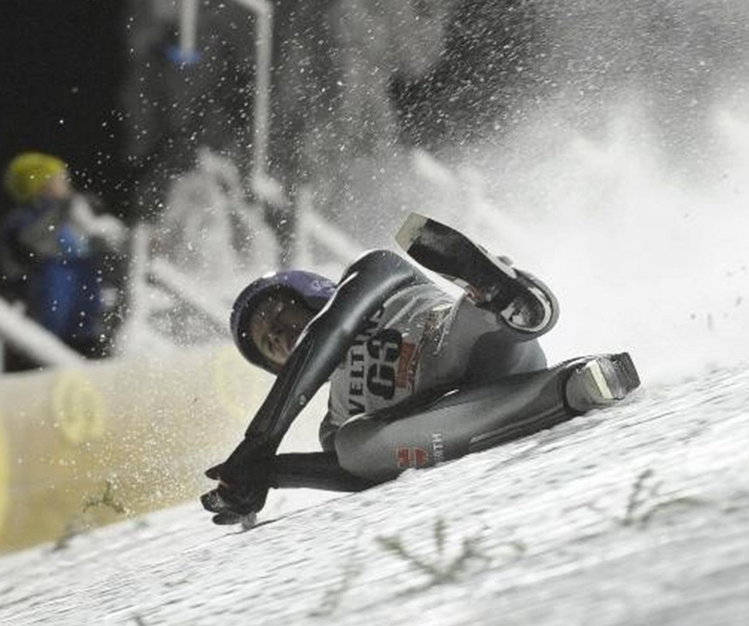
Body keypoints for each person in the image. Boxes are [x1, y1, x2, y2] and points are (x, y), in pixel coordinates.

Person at [201, 214, 640, 525]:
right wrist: (269, 472)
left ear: (315, 295)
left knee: (475, 317)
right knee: (351, 446)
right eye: (267, 344)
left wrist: (259, 442)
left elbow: (330, 330)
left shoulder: (375, 271)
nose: (278, 336)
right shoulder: (334, 417)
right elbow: (369, 474)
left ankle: (510, 298)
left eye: (279, 317)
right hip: (471, 411)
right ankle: (580, 383)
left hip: (477, 346)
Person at [0, 152, 128, 358]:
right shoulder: (21, 222)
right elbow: (34, 246)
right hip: (49, 317)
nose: (66, 183)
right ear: (39, 185)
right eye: (58, 179)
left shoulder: (75, 213)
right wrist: (67, 211)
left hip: (88, 314)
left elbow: (103, 241)